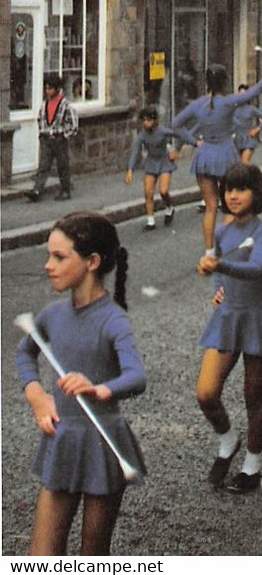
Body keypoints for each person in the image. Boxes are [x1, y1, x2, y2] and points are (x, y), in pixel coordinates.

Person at [16, 212, 145, 556]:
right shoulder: (52, 315)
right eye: (49, 256)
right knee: (41, 556)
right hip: (63, 440)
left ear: (92, 262)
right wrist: (37, 395)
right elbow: (24, 354)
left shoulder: (113, 319)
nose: (48, 265)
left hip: (103, 443)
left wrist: (101, 388)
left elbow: (136, 376)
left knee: (93, 554)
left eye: (59, 257)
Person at [196, 163, 262, 493]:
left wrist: (221, 265)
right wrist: (218, 285)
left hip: (256, 319)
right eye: (228, 190)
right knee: (206, 393)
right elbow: (221, 269)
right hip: (227, 319)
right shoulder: (222, 232)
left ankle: (252, 464)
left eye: (241, 189)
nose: (233, 196)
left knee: (254, 396)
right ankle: (227, 439)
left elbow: (256, 268)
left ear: (256, 193)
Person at [172, 57, 262, 254]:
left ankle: (209, 251)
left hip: (204, 155)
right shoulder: (228, 102)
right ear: (224, 82)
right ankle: (228, 244)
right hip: (225, 155)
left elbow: (175, 124)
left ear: (206, 82)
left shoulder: (198, 104)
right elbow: (256, 90)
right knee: (232, 206)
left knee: (210, 207)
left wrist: (194, 141)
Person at [125, 106, 198, 231]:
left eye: (147, 120)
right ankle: (150, 220)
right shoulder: (142, 136)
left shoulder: (163, 131)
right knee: (148, 192)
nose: (145, 123)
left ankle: (169, 207)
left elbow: (181, 135)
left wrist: (177, 149)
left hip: (164, 162)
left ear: (154, 121)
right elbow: (135, 151)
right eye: (143, 120)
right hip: (151, 162)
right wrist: (130, 169)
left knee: (164, 191)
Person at [25, 74, 79, 203]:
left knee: (62, 165)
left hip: (59, 138)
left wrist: (64, 135)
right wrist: (42, 132)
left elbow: (74, 124)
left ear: (57, 89)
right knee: (43, 165)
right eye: (46, 88)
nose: (47, 91)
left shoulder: (65, 105)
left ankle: (66, 190)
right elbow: (41, 119)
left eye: (50, 89)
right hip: (46, 139)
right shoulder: (45, 104)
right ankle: (37, 190)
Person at [232, 84, 262, 165]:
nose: (241, 96)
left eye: (244, 94)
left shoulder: (251, 109)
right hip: (236, 139)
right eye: (240, 93)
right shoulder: (233, 109)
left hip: (248, 139)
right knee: (237, 166)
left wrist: (257, 129)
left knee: (244, 164)